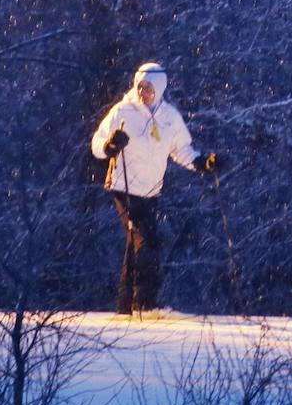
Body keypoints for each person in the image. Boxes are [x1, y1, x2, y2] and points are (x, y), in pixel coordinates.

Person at [91, 62, 217, 315]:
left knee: (135, 243)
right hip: (122, 187)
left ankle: (126, 305)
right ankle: (144, 302)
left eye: (149, 88)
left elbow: (181, 150)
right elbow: (97, 142)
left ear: (160, 89)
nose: (143, 92)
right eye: (140, 86)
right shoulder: (123, 111)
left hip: (151, 191)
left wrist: (203, 163)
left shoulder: (170, 117)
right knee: (147, 241)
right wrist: (110, 146)